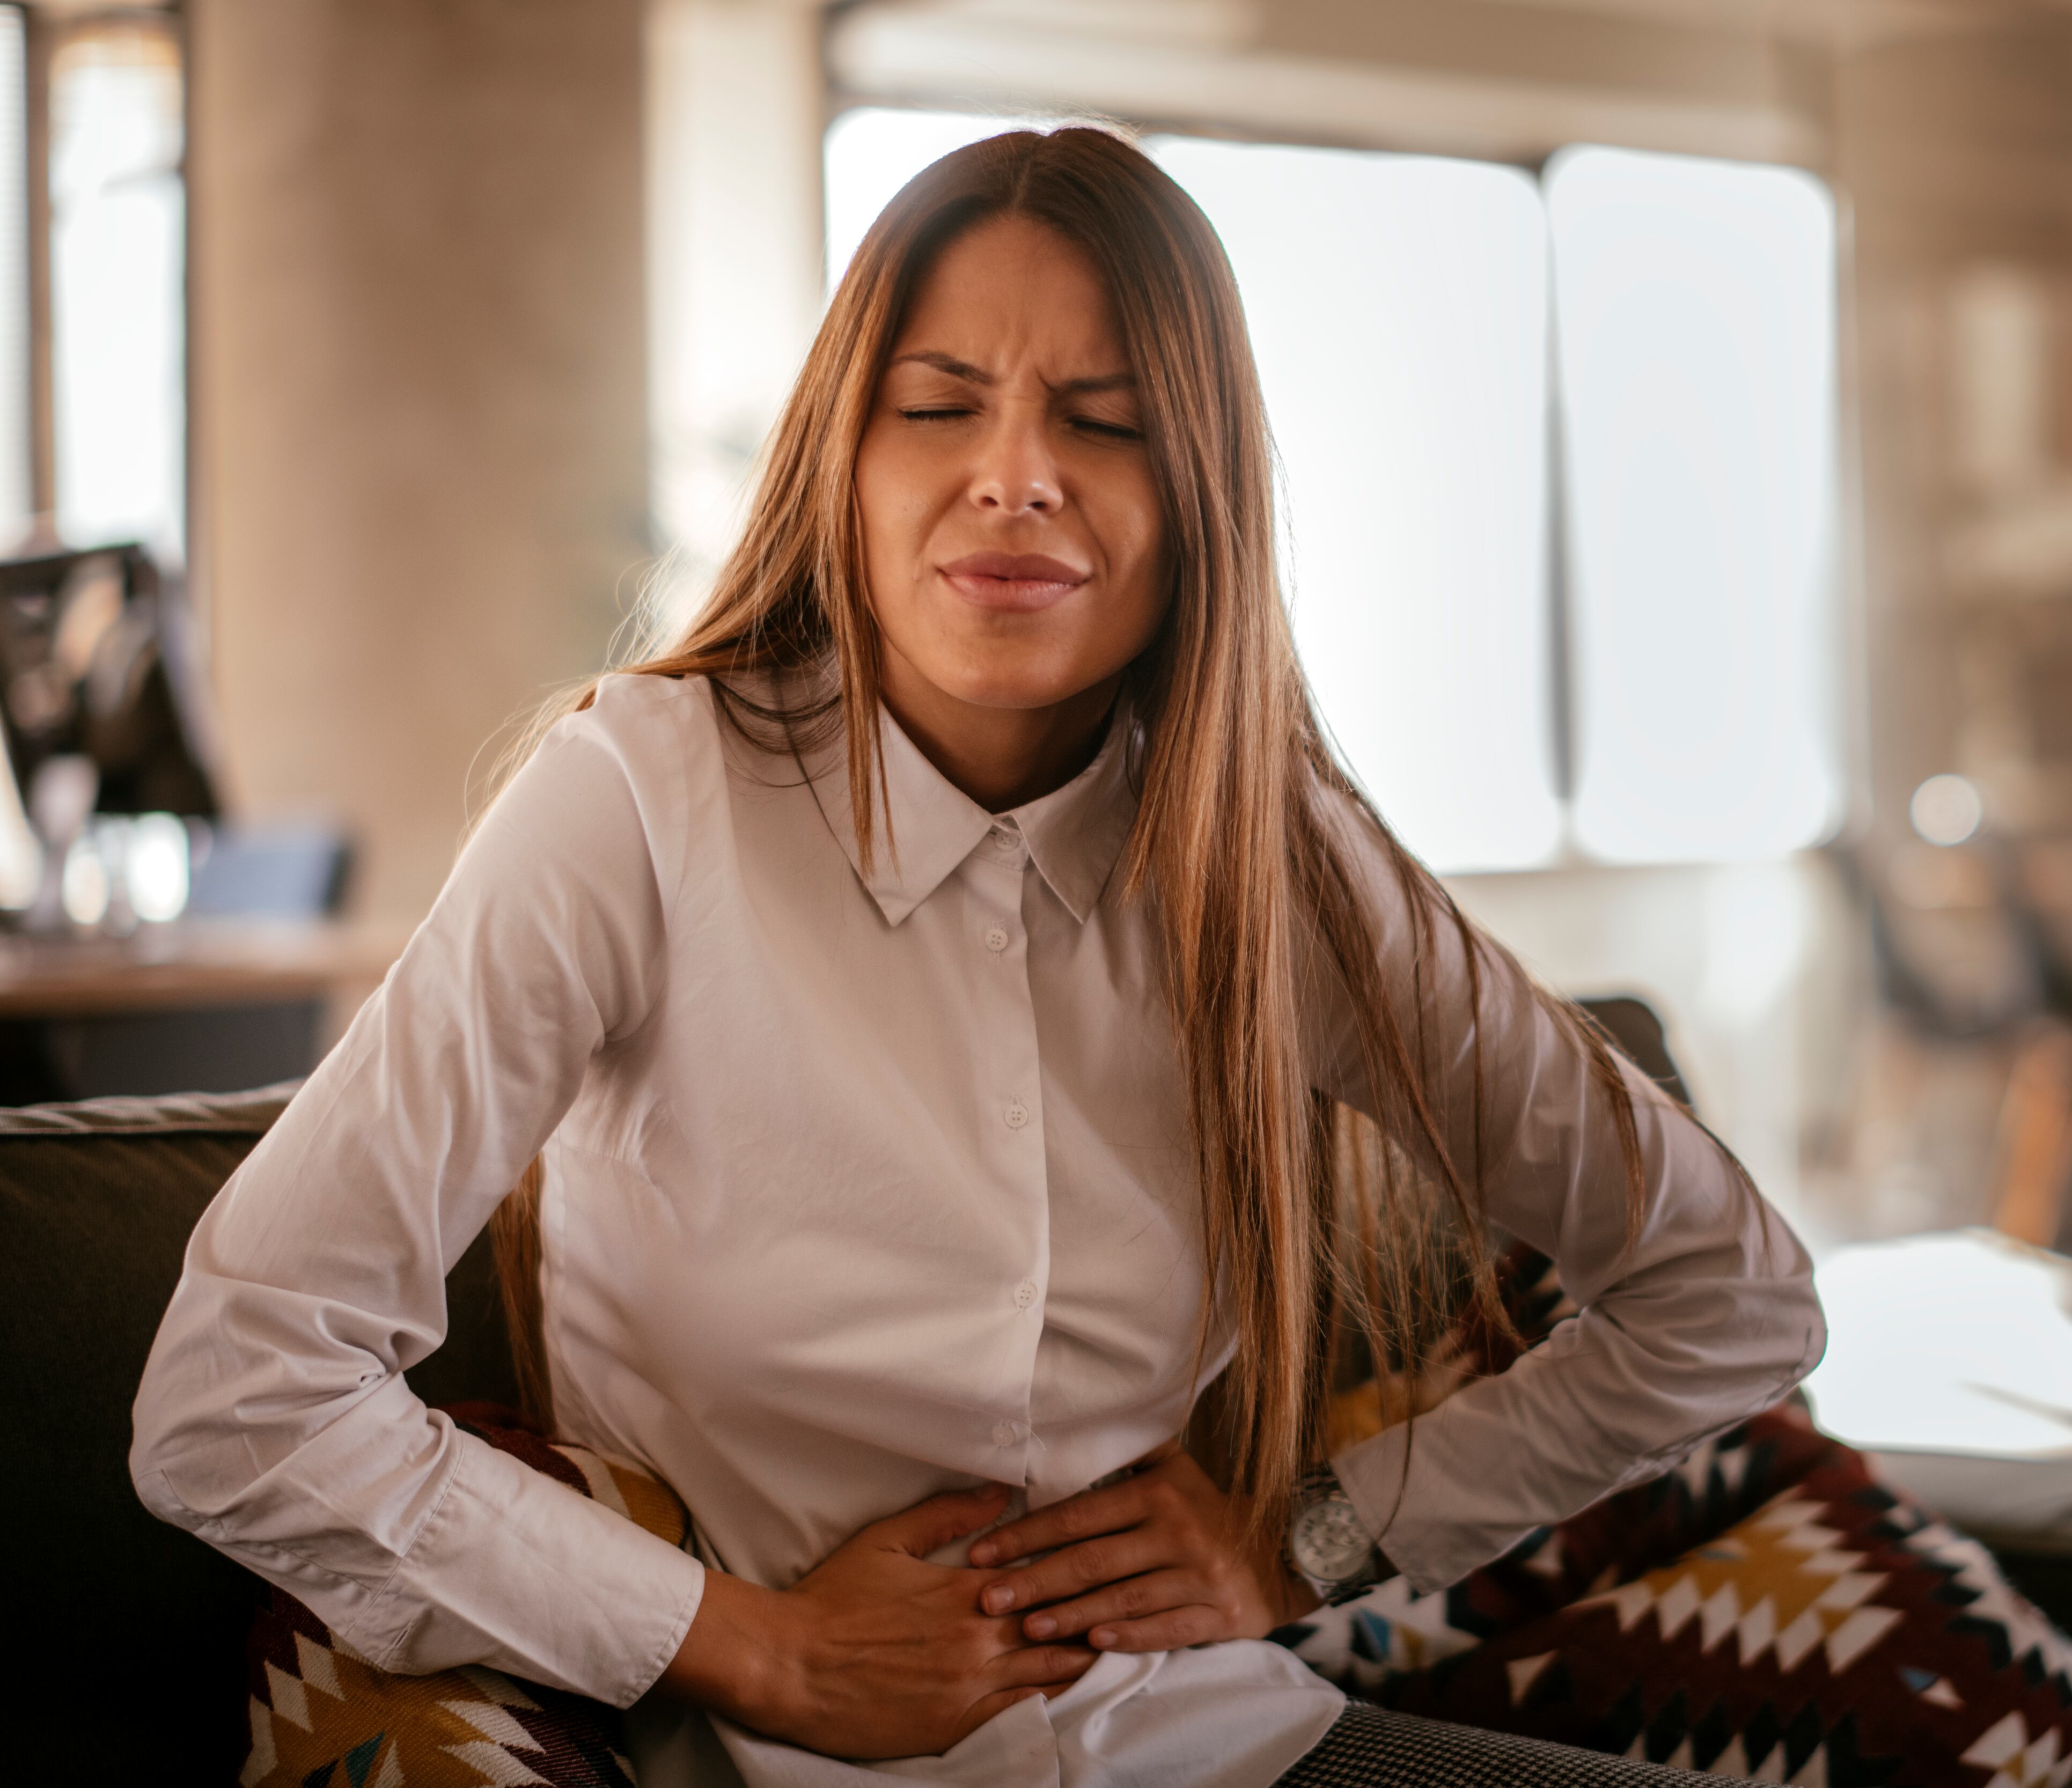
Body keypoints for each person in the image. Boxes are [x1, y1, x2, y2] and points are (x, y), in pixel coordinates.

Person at [131, 126, 1822, 1788]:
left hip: (1196, 1736)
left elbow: (1725, 1293)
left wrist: (1313, 1536)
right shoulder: (641, 801)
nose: (1014, 473)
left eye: (1107, 421)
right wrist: (753, 1642)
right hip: (748, 1747)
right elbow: (238, 1386)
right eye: (938, 406)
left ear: (1202, 497)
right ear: (841, 465)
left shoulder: (1280, 858)